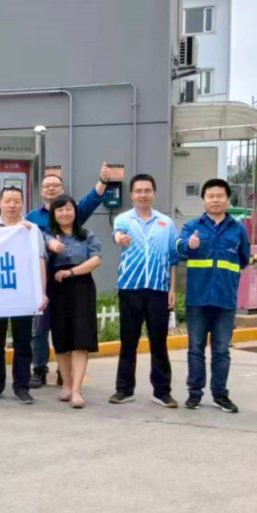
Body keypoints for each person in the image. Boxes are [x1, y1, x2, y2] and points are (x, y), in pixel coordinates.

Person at [27, 163, 111, 388]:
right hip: (44, 280)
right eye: (47, 186)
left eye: (55, 185)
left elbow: (92, 200)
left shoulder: (75, 215)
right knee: (40, 327)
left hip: (74, 283)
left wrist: (103, 181)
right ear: (41, 190)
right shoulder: (32, 217)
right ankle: (39, 367)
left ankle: (65, 376)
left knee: (69, 328)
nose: (51, 188)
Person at [178, 179, 251, 413]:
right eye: (211, 196)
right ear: (204, 200)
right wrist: (189, 244)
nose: (215, 200)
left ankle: (220, 395)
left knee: (221, 351)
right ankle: (194, 394)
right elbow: (179, 248)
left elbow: (243, 259)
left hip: (225, 300)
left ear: (228, 199)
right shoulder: (192, 226)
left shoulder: (238, 229)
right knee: (195, 349)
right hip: (197, 300)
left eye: (220, 196)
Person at [110, 174, 179, 408]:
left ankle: (162, 392)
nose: (143, 195)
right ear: (131, 195)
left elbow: (173, 257)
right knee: (128, 342)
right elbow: (117, 234)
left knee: (159, 342)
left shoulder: (166, 223)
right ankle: (124, 389)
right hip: (130, 289)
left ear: (154, 193)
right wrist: (120, 238)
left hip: (159, 290)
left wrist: (172, 288)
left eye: (147, 190)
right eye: (138, 191)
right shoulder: (124, 219)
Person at [0, 186, 49, 404]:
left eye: (16, 201)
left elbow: (40, 260)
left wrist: (42, 292)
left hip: (22, 292)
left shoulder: (31, 229)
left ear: (22, 203)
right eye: (7, 200)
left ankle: (22, 387)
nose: (12, 205)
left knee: (23, 341)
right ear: (0, 203)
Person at [45, 195, 103, 409]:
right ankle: (66, 385)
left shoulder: (87, 235)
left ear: (75, 211)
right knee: (61, 338)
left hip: (81, 287)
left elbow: (96, 259)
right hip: (56, 289)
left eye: (68, 208)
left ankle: (77, 389)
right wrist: (51, 244)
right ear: (53, 214)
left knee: (81, 338)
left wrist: (71, 272)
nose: (64, 213)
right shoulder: (47, 235)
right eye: (59, 210)